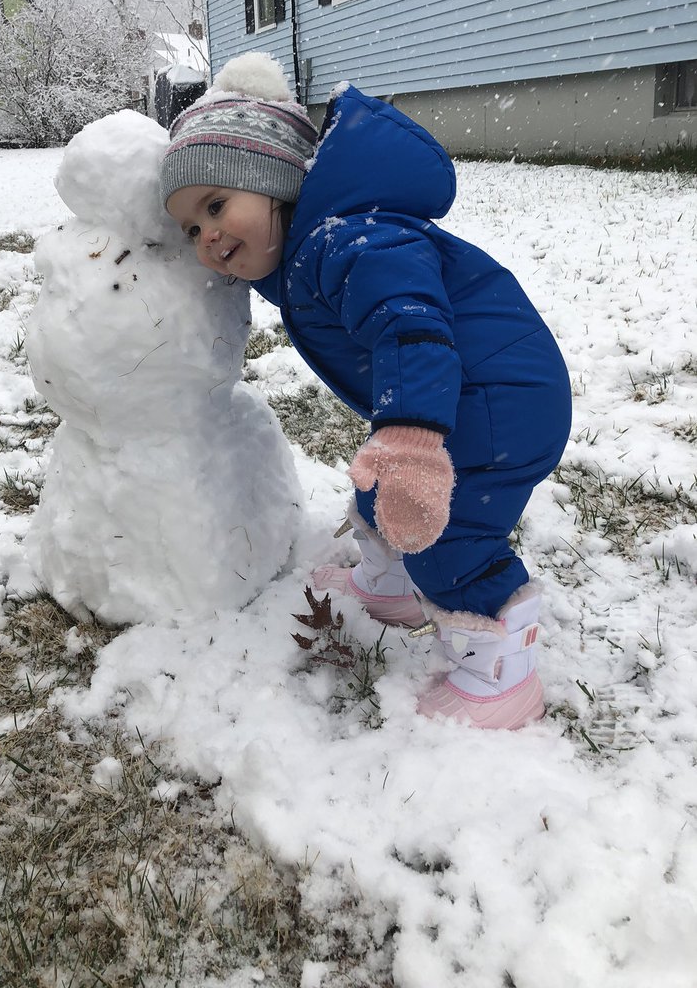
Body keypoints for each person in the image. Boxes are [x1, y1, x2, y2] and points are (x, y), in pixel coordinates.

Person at [159, 52, 572, 730]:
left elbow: (411, 329)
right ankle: (392, 585)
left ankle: (500, 668)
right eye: (191, 229)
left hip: (497, 403)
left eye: (215, 205)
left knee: (448, 533)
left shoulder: (353, 241)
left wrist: (412, 435)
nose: (207, 237)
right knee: (384, 488)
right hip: (469, 393)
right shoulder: (315, 244)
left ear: (274, 180)